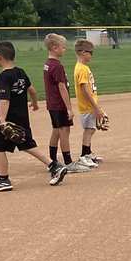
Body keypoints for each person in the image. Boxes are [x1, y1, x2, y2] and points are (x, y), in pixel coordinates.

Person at [0, 41, 68, 191]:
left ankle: (3, 179)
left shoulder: (3, 77)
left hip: (8, 119)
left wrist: (2, 120)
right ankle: (54, 165)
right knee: (27, 144)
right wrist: (35, 103)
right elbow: (33, 91)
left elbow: (4, 99)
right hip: (22, 117)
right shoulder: (20, 72)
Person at [42, 33, 88, 174]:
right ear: (55, 48)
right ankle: (68, 162)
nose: (65, 49)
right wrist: (69, 108)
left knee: (56, 130)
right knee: (64, 131)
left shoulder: (47, 64)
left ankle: (52, 160)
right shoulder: (57, 66)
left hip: (51, 103)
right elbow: (62, 87)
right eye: (63, 47)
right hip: (59, 103)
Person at [73, 40, 106, 168]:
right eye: (90, 52)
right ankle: (83, 155)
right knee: (89, 129)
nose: (92, 55)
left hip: (89, 105)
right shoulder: (81, 69)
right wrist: (95, 107)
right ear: (82, 52)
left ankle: (88, 152)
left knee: (91, 129)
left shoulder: (83, 68)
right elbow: (85, 90)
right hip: (87, 106)